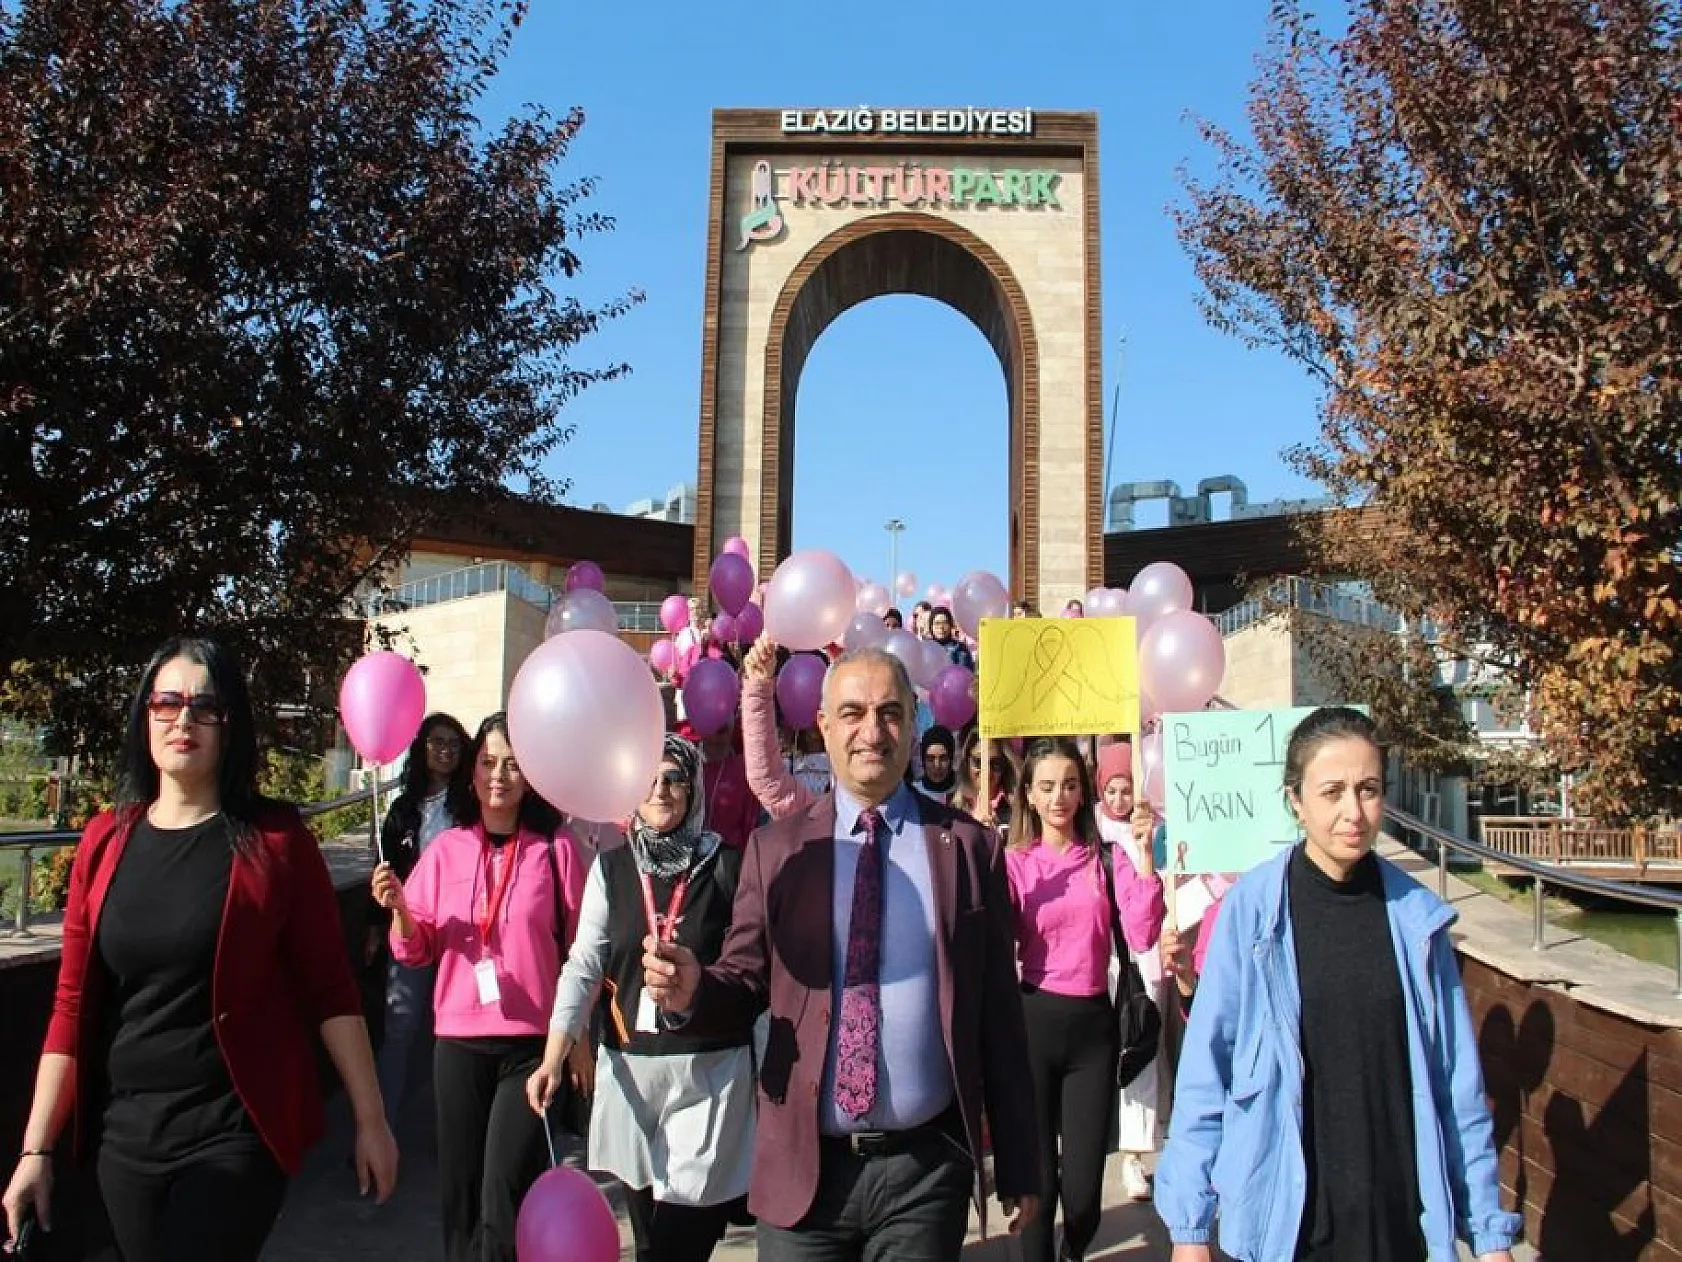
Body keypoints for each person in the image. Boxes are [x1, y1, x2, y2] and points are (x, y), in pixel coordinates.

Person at [1, 637, 397, 1262]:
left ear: (228, 726)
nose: (184, 719)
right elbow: (71, 1005)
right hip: (124, 1139)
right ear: (145, 716)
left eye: (205, 707)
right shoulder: (105, 842)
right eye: (167, 702)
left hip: (233, 1134)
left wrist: (371, 1122)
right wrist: (35, 1150)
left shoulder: (275, 843)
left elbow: (330, 991)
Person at [641, 646, 1043, 1258]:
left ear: (913, 721)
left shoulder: (969, 848)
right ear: (824, 725)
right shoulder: (776, 851)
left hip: (925, 1174)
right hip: (802, 1172)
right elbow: (744, 983)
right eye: (852, 712)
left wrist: (1019, 1165)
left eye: (889, 712)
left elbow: (998, 1017)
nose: (871, 731)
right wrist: (695, 989)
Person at [1156, 706, 1521, 1262]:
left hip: (1399, 1223)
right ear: (1295, 801)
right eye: (1332, 791)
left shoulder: (1419, 920)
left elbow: (1457, 1088)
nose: (1353, 811)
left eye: (1368, 789)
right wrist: (1189, 1227)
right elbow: (1208, 1073)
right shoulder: (1253, 913)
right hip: (1289, 1225)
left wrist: (1490, 1235)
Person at [527, 734, 754, 1262]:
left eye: (675, 778)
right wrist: (554, 1057)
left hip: (710, 1075)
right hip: (631, 1075)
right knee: (651, 1238)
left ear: (693, 787)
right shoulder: (612, 868)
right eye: (650, 779)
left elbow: (749, 970)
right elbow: (583, 963)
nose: (662, 790)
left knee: (680, 1242)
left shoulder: (728, 866)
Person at [372, 713, 588, 1262]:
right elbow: (414, 948)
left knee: (503, 1197)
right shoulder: (444, 850)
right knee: (460, 1197)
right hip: (459, 1044)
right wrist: (399, 911)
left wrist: (578, 1038)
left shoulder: (554, 849)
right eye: (488, 762)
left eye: (513, 764)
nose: (499, 775)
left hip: (530, 1050)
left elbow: (583, 949)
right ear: (472, 772)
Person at [1007, 739, 1165, 1262]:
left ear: (1083, 793)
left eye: (1069, 785)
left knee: (1081, 1194)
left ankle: (1075, 1250)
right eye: (1047, 786)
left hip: (1092, 1028)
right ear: (1028, 795)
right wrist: (986, 866)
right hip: (1031, 1020)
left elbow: (1142, 932)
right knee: (1037, 1184)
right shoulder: (1013, 862)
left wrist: (1145, 856)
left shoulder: (1106, 857)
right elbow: (992, 933)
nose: (1059, 797)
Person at [373, 712, 473, 1116]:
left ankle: (447, 1131)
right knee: (400, 1025)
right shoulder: (403, 808)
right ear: (422, 748)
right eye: (437, 742)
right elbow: (386, 868)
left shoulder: (471, 804)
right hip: (411, 925)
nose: (445, 751)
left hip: (462, 929)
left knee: (451, 1033)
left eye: (453, 744)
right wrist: (372, 924)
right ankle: (380, 1127)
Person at [1092, 743, 1164, 1201]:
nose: (1118, 800)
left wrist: (1145, 855)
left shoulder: (1148, 834)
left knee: (1139, 1053)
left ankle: (1135, 1156)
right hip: (1093, 963)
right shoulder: (1086, 829)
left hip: (1138, 961)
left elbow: (1144, 923)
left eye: (1126, 790)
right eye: (1111, 790)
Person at [908, 726, 958, 804]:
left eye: (943, 758)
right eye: (930, 759)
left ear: (951, 758)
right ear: (923, 760)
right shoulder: (912, 794)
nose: (937, 766)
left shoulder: (963, 791)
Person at [927, 606, 977, 671]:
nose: (941, 627)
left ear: (950, 625)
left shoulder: (959, 648)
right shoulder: (926, 649)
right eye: (937, 623)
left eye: (945, 623)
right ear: (931, 627)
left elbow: (965, 674)